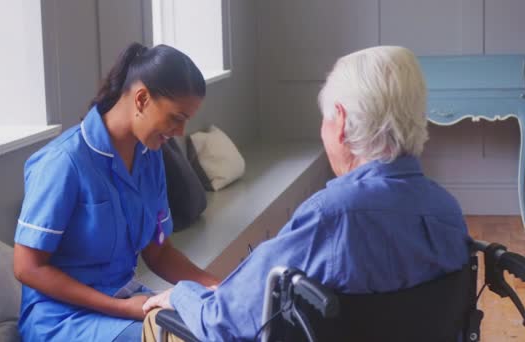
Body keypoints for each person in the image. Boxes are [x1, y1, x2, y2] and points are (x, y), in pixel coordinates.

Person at [140, 46, 473, 341]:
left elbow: (224, 323)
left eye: (325, 120)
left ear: (340, 122)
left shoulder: (331, 216)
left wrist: (181, 295)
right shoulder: (448, 213)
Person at [13, 42, 220, 342]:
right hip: (61, 318)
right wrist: (121, 308)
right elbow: (27, 267)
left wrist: (220, 289)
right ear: (141, 99)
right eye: (177, 118)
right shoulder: (64, 161)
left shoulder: (150, 158)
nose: (181, 132)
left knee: (216, 328)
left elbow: (159, 250)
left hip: (124, 302)